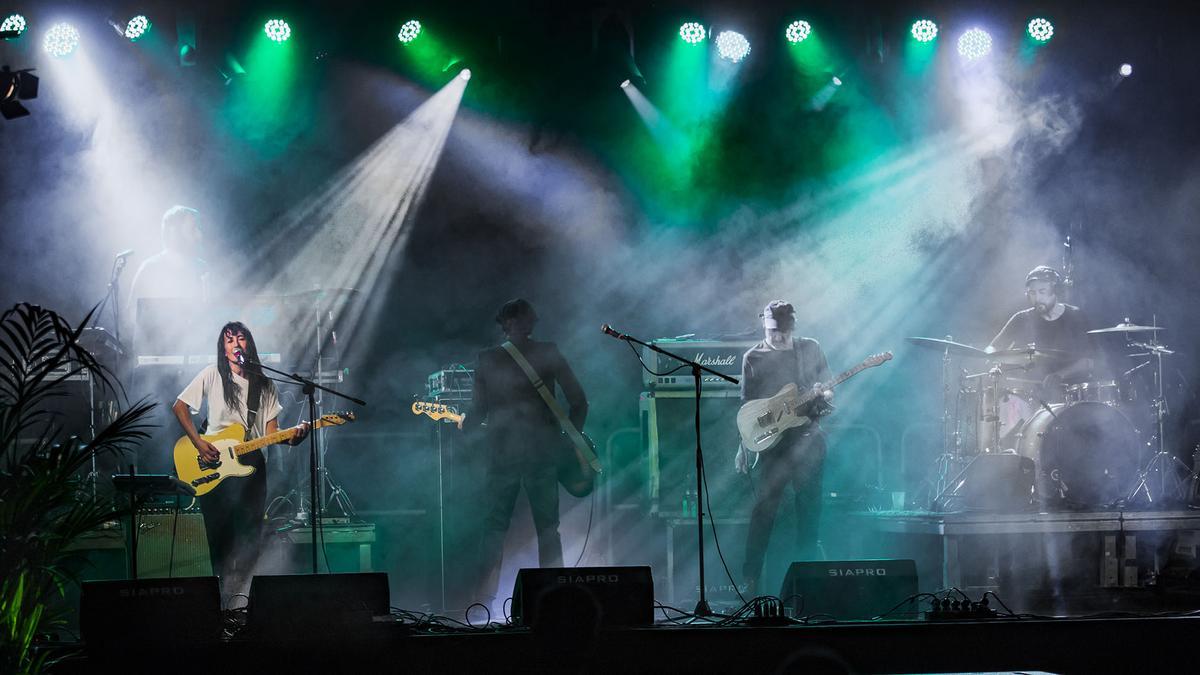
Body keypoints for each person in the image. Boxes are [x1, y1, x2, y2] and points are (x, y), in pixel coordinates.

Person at [460, 299, 588, 609]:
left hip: (503, 455)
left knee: (494, 529)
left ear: (505, 323)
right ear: (528, 322)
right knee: (548, 528)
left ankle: (482, 604)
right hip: (542, 452)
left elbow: (477, 412)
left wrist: (464, 427)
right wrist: (567, 438)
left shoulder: (487, 359)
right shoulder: (549, 352)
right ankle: (556, 601)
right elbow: (580, 402)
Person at [171, 321, 308, 596]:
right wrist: (199, 444)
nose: (236, 344)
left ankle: (243, 601)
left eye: (241, 339)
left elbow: (273, 433)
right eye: (229, 340)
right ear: (223, 348)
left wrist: (294, 437)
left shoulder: (265, 385)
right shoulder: (212, 374)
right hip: (213, 464)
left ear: (249, 344)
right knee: (218, 537)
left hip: (252, 466)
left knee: (249, 535)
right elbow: (180, 407)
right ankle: (218, 602)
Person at [735, 300, 833, 597]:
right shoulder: (753, 357)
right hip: (773, 444)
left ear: (794, 326)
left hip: (807, 438)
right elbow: (748, 406)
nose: (780, 336)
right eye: (774, 331)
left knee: (809, 510)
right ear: (765, 326)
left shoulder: (810, 348)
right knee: (764, 510)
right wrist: (743, 446)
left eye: (786, 330)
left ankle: (808, 581)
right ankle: (750, 579)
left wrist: (824, 393)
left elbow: (828, 385)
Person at [988, 265, 1095, 394]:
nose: (1037, 298)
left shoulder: (1075, 316)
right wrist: (993, 363)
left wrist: (1059, 375)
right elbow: (992, 348)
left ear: (1056, 291)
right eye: (1032, 293)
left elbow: (1089, 361)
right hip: (1035, 395)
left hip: (1073, 393)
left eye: (1042, 292)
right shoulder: (1022, 318)